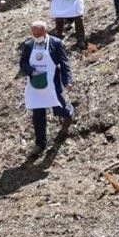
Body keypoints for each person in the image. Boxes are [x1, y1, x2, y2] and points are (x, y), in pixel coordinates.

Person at [19, 21, 75, 158]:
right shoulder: (28, 45)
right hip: (35, 84)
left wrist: (67, 81)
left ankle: (68, 113)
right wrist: (31, 71)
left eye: (39, 33)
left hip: (52, 81)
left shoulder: (56, 43)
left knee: (57, 106)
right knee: (38, 114)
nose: (37, 36)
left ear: (46, 32)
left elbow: (64, 63)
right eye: (34, 34)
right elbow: (23, 62)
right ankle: (40, 143)